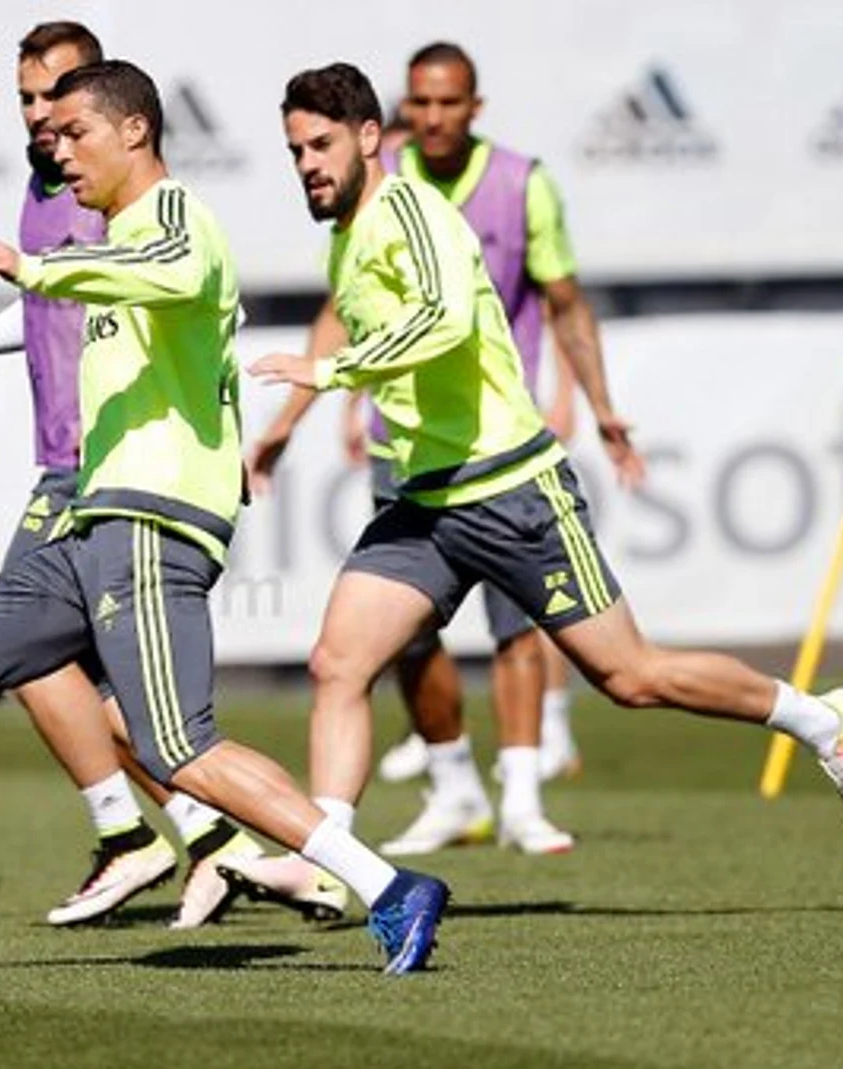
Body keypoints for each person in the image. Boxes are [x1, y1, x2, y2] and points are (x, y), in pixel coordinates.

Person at [0, 60, 450, 976]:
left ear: (134, 130)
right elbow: (84, 294)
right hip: (90, 524)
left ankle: (387, 885)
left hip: (153, 525)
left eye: (75, 133)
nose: (58, 152)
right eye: (50, 137)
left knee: (179, 747)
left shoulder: (174, 217)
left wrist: (35, 265)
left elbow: (172, 269)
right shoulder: (108, 242)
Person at [249, 64, 843, 893]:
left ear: (370, 138)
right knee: (338, 662)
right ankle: (326, 861)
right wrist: (295, 416)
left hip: (510, 487)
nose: (307, 165)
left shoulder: (411, 210)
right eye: (295, 151)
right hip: (426, 500)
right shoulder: (347, 236)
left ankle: (820, 718)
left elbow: (445, 320)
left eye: (320, 145)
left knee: (631, 676)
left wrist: (331, 372)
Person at [0, 21, 328, 930]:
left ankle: (165, 837)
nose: (41, 117)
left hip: (106, 469)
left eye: (58, 98)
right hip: (78, 463)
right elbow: (46, 305)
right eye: (26, 99)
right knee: (111, 696)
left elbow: (151, 282)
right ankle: (233, 844)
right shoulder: (47, 190)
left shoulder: (121, 194)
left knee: (58, 669)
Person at [248, 43, 633, 862]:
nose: (430, 117)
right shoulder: (359, 205)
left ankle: (522, 798)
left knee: (549, 641)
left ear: (473, 107)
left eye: (446, 102)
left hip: (495, 452)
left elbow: (553, 304)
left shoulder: (506, 187)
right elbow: (347, 315)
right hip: (410, 457)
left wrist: (592, 402)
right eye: (417, 103)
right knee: (379, 646)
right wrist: (297, 416)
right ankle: (432, 798)